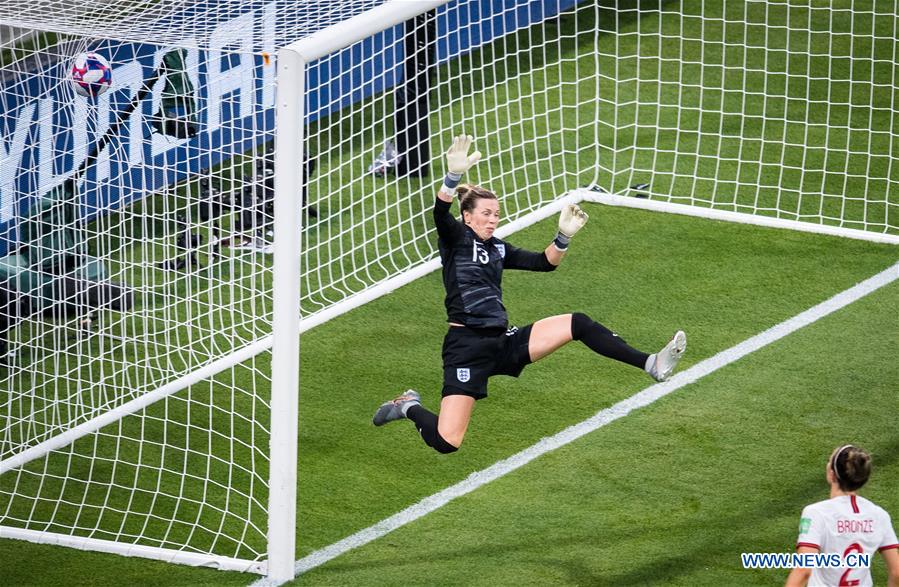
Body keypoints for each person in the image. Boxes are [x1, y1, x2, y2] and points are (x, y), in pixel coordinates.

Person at [372, 135, 687, 454]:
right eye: (486, 213)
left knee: (578, 324)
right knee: (447, 442)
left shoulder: (497, 248)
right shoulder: (455, 239)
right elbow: (440, 214)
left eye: (496, 214)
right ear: (467, 216)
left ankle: (651, 364)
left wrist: (563, 236)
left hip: (503, 340)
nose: (493, 219)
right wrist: (452, 178)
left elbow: (544, 263)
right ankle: (408, 406)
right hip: (466, 347)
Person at [785, 445, 899, 587]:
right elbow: (896, 572)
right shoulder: (879, 515)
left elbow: (803, 571)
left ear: (832, 474)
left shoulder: (817, 512)